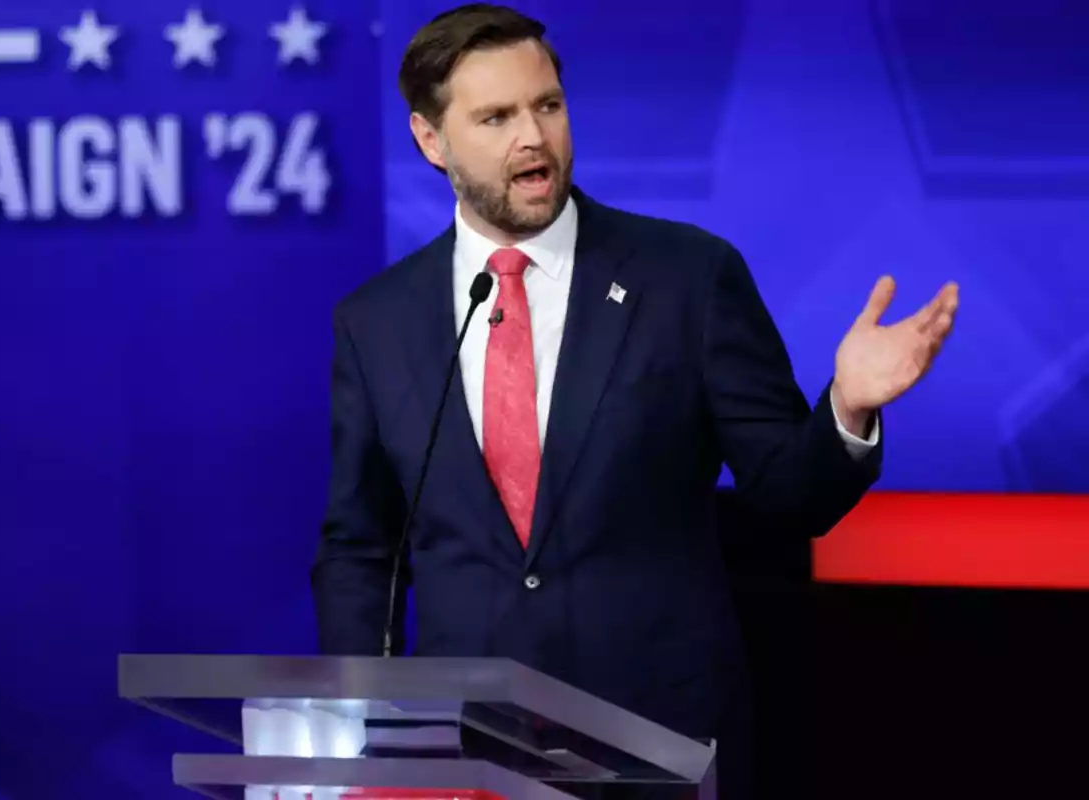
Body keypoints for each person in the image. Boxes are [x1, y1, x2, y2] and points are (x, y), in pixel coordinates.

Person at [311, 3, 957, 796]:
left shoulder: (686, 278)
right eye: (496, 117)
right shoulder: (376, 322)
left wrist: (847, 411)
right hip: (466, 758)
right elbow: (360, 549)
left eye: (547, 105)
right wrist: (362, 726)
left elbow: (790, 499)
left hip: (659, 746)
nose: (533, 138)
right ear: (430, 139)